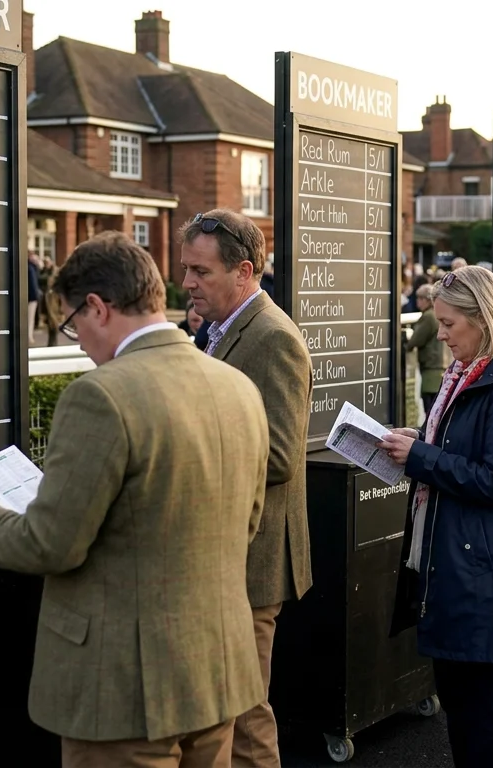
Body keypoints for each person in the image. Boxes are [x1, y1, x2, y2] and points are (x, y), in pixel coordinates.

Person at [0, 231, 271, 768]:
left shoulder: (100, 394)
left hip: (123, 685)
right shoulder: (235, 385)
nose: (77, 340)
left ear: (97, 307)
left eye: (73, 323)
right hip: (217, 667)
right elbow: (247, 521)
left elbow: (52, 544)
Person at [380, 265, 493, 768]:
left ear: (485, 319)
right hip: (467, 561)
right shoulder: (473, 375)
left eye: (451, 324)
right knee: (466, 705)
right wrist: (421, 442)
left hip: (485, 567)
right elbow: (471, 454)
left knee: (481, 710)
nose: (444, 335)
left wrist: (420, 457)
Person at [180, 209, 313, 768]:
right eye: (185, 269)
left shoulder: (273, 337)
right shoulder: (219, 330)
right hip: (229, 554)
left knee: (246, 712)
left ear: (244, 271)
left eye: (200, 272)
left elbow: (280, 456)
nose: (186, 282)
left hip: (253, 560)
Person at [406, 283, 445, 421]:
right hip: (442, 367)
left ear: (425, 300)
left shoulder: (428, 317)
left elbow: (416, 340)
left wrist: (406, 344)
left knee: (430, 412)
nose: (417, 302)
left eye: (419, 299)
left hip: (431, 370)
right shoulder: (439, 314)